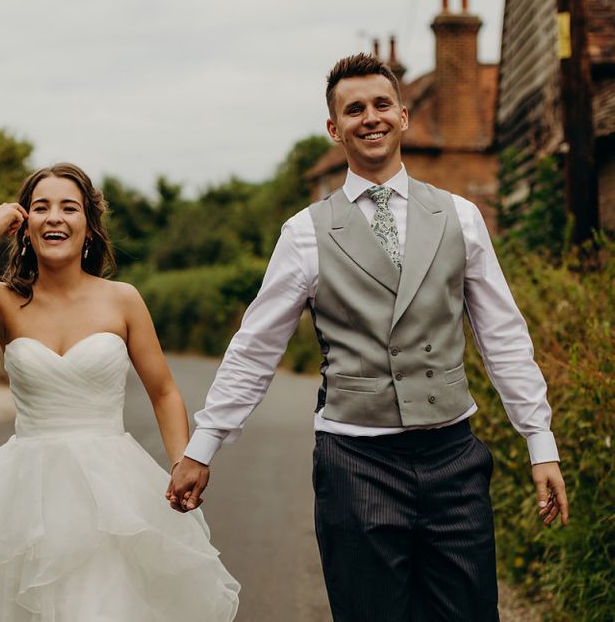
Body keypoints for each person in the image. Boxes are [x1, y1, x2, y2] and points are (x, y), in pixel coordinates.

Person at [168, 54, 568, 621]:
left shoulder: (462, 217)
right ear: (335, 130)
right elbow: (255, 349)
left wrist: (539, 439)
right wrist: (203, 446)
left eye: (382, 105)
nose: (370, 117)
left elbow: (502, 336)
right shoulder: (305, 233)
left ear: (403, 116)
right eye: (354, 110)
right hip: (355, 462)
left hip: (453, 456)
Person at [0, 163, 239, 621]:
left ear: (88, 225)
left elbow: (162, 390)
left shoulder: (122, 299)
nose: (55, 217)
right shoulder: (3, 301)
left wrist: (182, 459)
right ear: (25, 227)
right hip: (24, 494)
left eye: (69, 207)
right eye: (40, 208)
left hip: (110, 492)